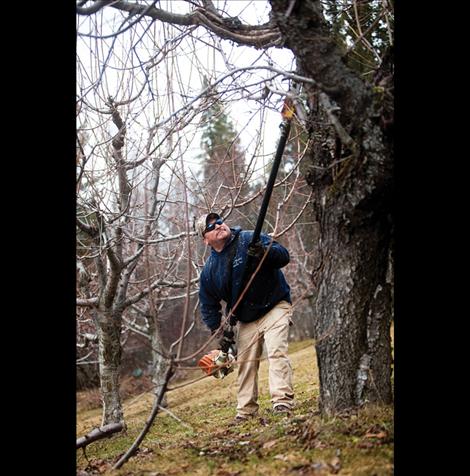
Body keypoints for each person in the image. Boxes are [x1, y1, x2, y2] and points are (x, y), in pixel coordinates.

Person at [195, 212, 294, 422]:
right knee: (246, 364)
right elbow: (208, 304)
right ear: (205, 240)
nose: (218, 226)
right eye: (211, 227)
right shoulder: (209, 272)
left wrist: (264, 251)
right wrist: (218, 331)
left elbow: (283, 256)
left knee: (276, 351)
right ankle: (245, 411)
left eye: (220, 221)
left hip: (275, 304)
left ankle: (282, 401)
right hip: (246, 318)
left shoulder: (250, 238)